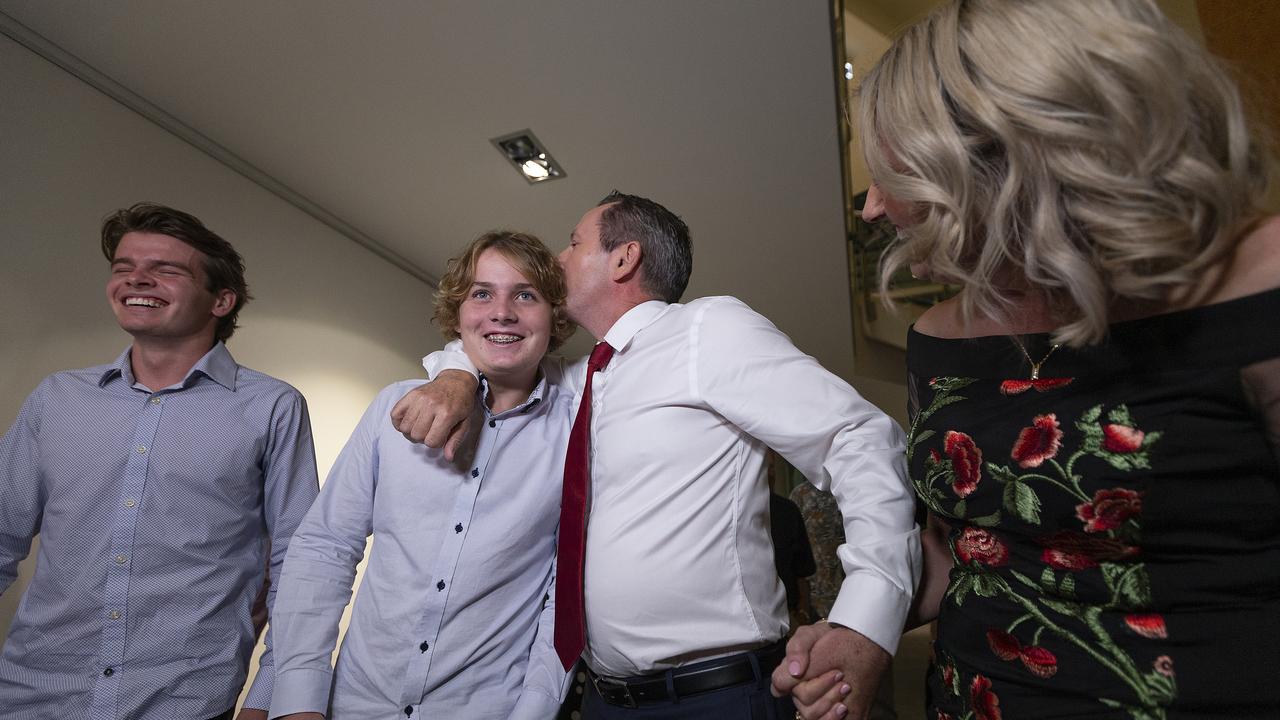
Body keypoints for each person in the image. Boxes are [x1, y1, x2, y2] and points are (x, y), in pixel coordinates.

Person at [783, 1, 1280, 718]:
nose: (872, 208)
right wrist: (858, 628)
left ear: (999, 159)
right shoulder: (939, 337)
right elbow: (970, 546)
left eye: (898, 175)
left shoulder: (1256, 284)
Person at [391, 192, 920, 719]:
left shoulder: (705, 330)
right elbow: (498, 348)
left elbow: (860, 437)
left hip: (716, 698)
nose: (558, 259)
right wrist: (457, 374)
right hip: (604, 699)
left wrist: (866, 620)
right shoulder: (581, 380)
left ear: (624, 258)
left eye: (574, 243)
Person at [0, 203, 319, 720]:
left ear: (222, 300)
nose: (136, 279)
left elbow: (298, 565)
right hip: (33, 697)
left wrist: (270, 698)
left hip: (184, 702)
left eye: (166, 269)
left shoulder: (271, 408)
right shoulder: (57, 399)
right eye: (123, 267)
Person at [266, 231, 576, 720]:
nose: (502, 312)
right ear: (458, 314)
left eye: (525, 294)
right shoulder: (393, 406)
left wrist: (534, 712)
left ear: (555, 315)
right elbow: (325, 546)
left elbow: (565, 593)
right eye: (481, 293)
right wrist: (298, 697)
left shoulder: (578, 430)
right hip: (355, 704)